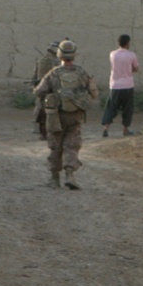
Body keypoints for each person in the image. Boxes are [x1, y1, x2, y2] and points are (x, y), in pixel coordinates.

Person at [34, 39, 99, 190]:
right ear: (74, 55)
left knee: (56, 145)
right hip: (75, 115)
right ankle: (70, 174)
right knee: (72, 145)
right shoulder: (82, 72)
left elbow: (39, 91)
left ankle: (54, 179)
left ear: (60, 55)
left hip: (56, 116)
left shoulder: (54, 73)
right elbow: (94, 93)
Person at [101, 34, 140, 137]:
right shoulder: (132, 55)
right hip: (127, 85)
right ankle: (125, 129)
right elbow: (136, 68)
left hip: (114, 85)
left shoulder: (112, 54)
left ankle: (106, 128)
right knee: (127, 109)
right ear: (128, 43)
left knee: (111, 107)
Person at [32, 41, 61, 140]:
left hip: (41, 88)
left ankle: (41, 132)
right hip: (51, 89)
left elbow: (34, 76)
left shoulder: (41, 60)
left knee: (40, 108)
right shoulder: (56, 62)